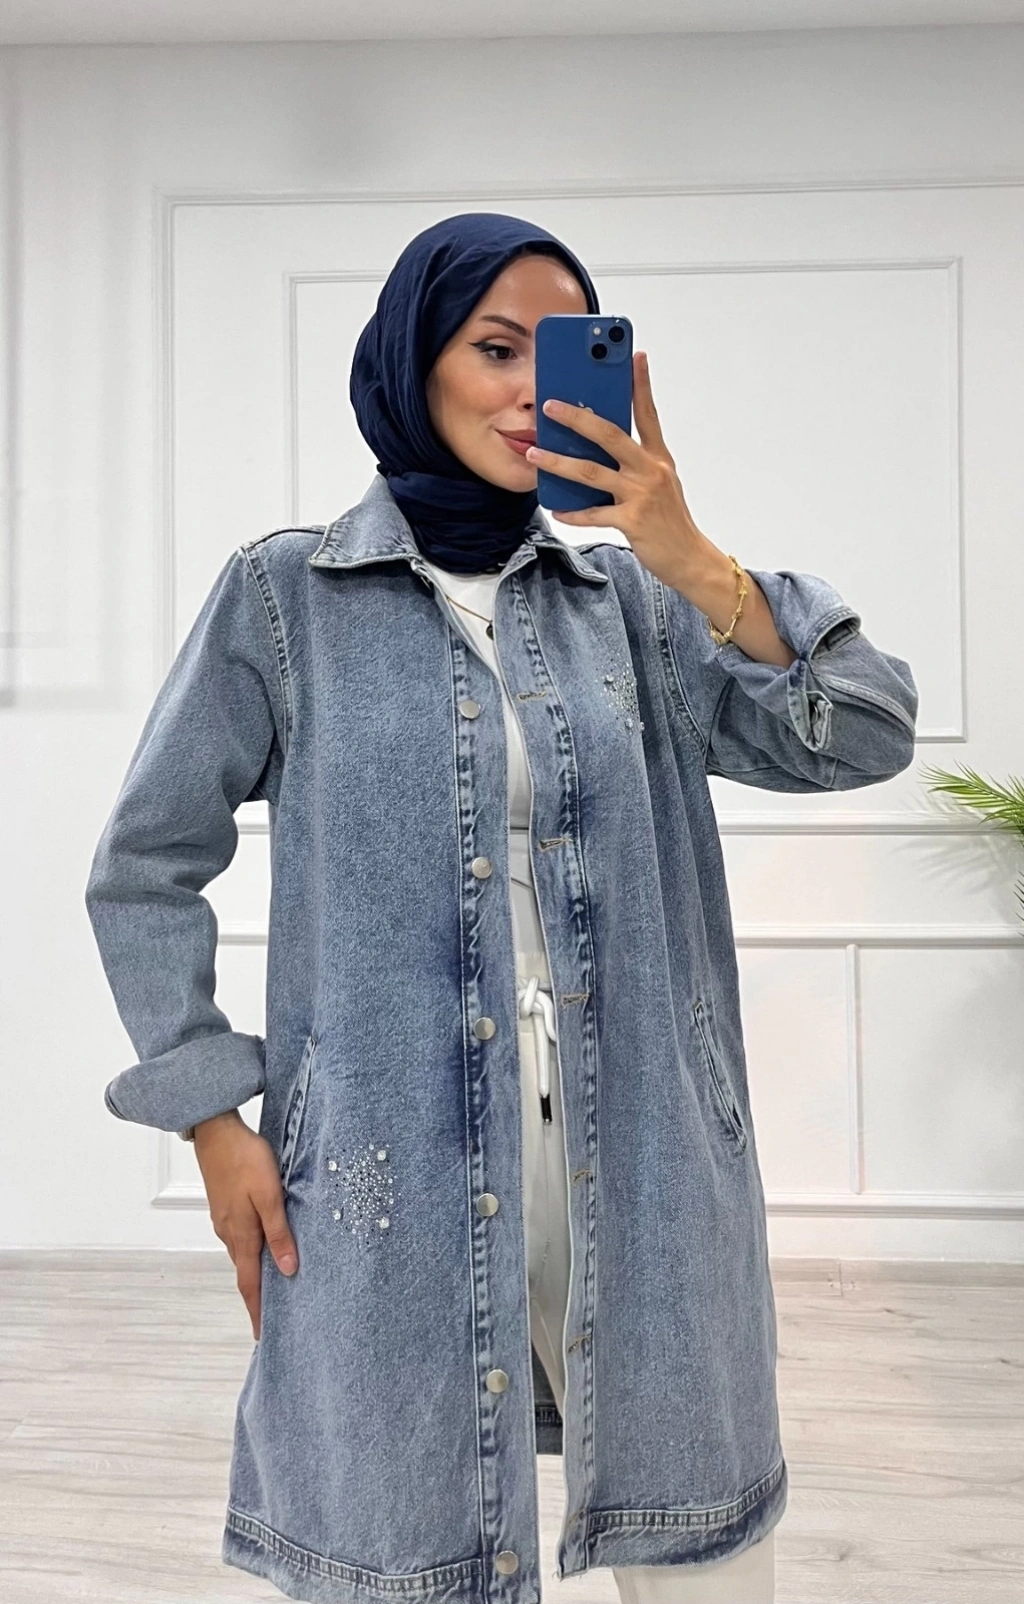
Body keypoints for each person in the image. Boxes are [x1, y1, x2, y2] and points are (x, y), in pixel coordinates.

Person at [84, 211, 919, 1604]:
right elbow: (143, 862)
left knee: (704, 1554)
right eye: (495, 348)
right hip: (389, 1175)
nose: (534, 389)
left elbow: (866, 731)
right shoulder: (289, 598)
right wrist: (213, 1117)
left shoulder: (635, 603)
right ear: (413, 361)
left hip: (646, 1161)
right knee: (405, 1542)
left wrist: (689, 552)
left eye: (565, 351)